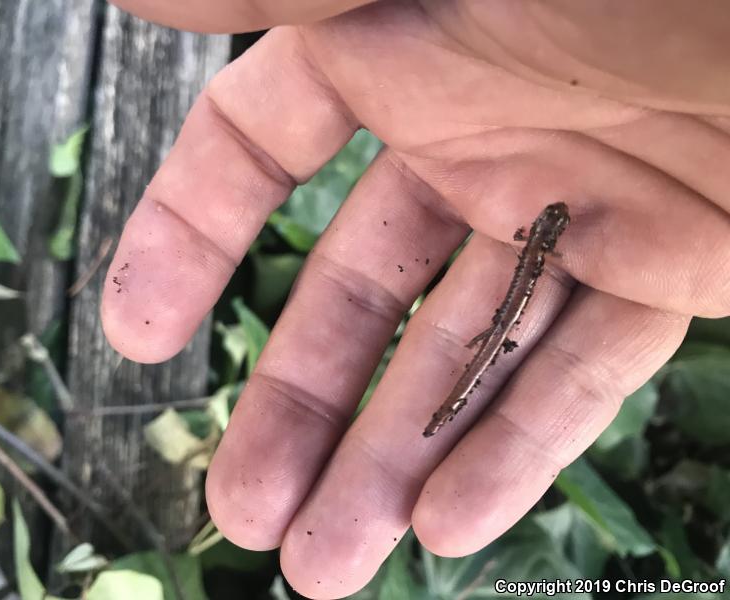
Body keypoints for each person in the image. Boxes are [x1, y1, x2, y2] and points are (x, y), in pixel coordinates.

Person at [100, 1, 730, 597]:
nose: (548, 229)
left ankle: (448, 408)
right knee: (486, 346)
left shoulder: (538, 246)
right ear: (546, 236)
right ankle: (445, 410)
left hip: (515, 301)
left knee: (488, 348)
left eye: (548, 228)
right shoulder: (541, 244)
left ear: (545, 236)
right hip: (514, 298)